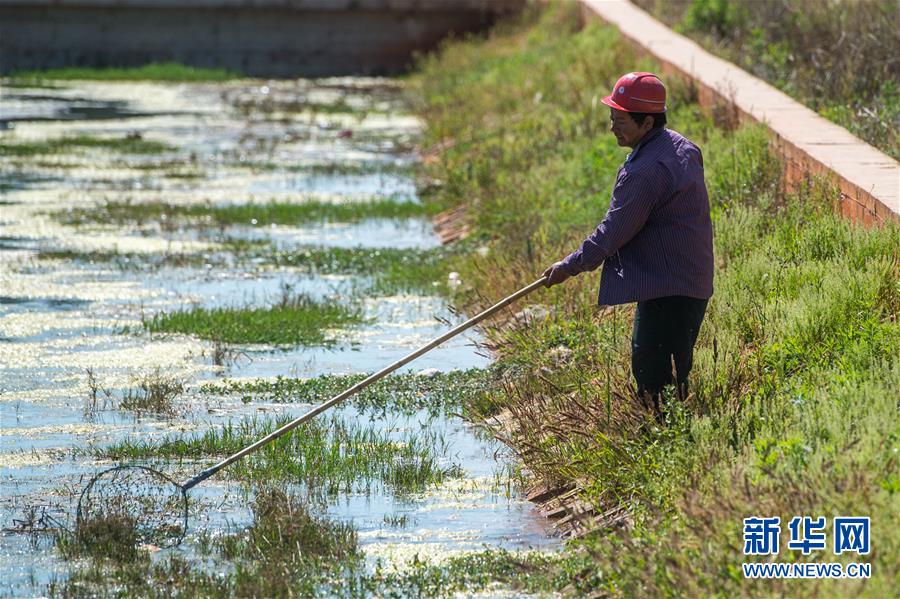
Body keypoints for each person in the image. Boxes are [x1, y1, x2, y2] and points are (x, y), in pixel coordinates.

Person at [542, 71, 714, 421]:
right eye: (611, 119)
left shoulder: (646, 170)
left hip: (669, 287)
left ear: (647, 121)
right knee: (673, 366)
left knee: (652, 370)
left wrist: (568, 267)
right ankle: (672, 436)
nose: (612, 128)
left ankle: (666, 444)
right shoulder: (681, 147)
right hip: (688, 278)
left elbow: (612, 233)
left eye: (619, 121)